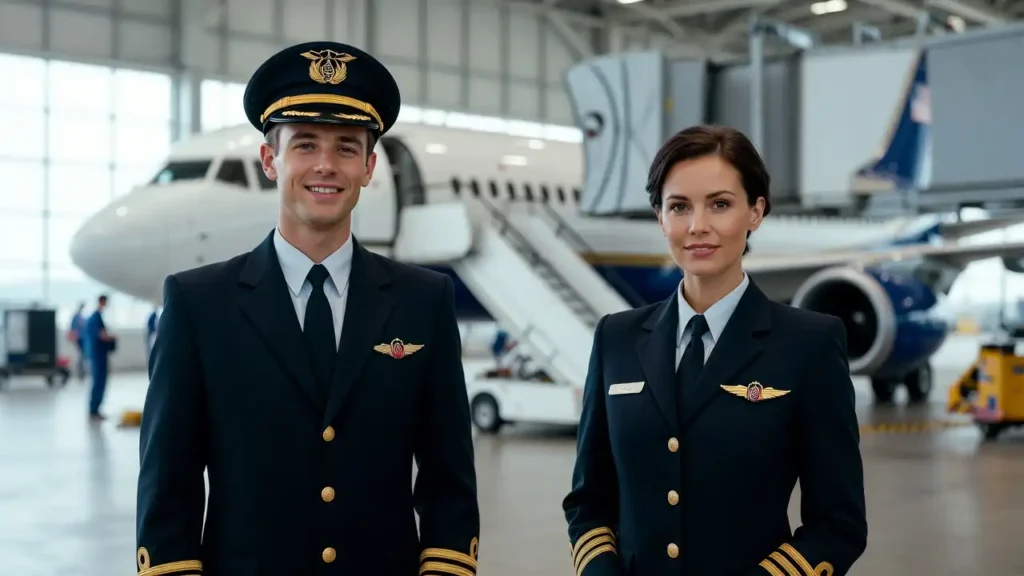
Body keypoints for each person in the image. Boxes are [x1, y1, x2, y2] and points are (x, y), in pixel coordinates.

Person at [136, 41, 480, 575]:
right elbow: (169, 487)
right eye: (305, 145)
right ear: (271, 159)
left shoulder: (423, 301)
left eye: (346, 148)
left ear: (369, 168)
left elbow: (448, 476)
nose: (326, 165)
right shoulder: (199, 305)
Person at [562, 125, 867, 576]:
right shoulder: (616, 339)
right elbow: (588, 501)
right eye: (679, 206)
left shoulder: (809, 344)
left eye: (720, 204)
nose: (697, 226)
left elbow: (839, 523)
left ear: (756, 212)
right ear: (659, 217)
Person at [85, 294, 116, 421]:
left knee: (99, 382)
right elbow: (101, 335)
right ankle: (94, 410)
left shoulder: (96, 317)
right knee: (98, 382)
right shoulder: (95, 317)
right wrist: (112, 338)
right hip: (98, 355)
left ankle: (95, 410)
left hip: (98, 354)